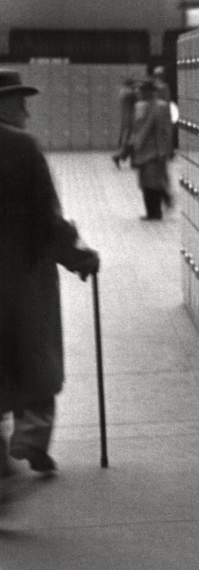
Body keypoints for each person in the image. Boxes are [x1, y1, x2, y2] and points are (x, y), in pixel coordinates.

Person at [0, 70, 99, 496]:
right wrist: (78, 257)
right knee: (36, 359)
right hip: (21, 278)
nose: (25, 109)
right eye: (18, 101)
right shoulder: (21, 147)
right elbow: (46, 218)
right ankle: (31, 440)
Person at [129, 77, 174, 220]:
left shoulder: (160, 106)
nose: (138, 92)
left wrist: (164, 150)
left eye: (141, 90)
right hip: (141, 150)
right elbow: (136, 128)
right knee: (144, 183)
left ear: (150, 92)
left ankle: (156, 212)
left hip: (154, 151)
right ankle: (150, 211)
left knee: (153, 182)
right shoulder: (139, 106)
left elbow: (164, 130)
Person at [111, 76, 138, 168]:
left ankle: (131, 160)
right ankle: (119, 156)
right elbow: (135, 96)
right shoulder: (128, 92)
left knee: (131, 139)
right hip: (131, 118)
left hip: (127, 117)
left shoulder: (123, 91)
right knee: (132, 140)